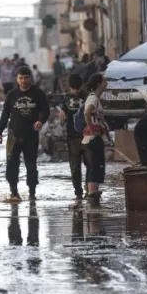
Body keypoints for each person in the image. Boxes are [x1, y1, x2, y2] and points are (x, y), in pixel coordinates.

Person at [0, 66, 50, 202]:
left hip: (31, 135)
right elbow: (5, 113)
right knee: (11, 164)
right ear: (17, 79)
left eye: (26, 78)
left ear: (30, 78)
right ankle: (14, 192)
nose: (24, 81)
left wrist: (41, 121)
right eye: (21, 78)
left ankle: (32, 193)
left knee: (31, 165)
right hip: (13, 135)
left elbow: (46, 110)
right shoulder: (12, 94)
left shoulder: (38, 93)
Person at [81, 73, 109, 207]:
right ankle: (92, 195)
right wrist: (92, 128)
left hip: (93, 139)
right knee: (94, 166)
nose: (106, 83)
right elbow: (87, 112)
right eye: (104, 81)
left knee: (95, 166)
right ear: (99, 84)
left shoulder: (94, 98)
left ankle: (93, 194)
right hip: (92, 138)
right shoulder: (93, 99)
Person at [58, 73, 87, 202]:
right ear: (70, 87)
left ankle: (90, 188)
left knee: (89, 164)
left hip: (87, 136)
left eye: (77, 88)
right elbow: (62, 111)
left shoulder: (87, 97)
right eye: (73, 88)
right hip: (72, 137)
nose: (75, 91)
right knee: (75, 167)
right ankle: (78, 192)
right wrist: (62, 112)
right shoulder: (66, 98)